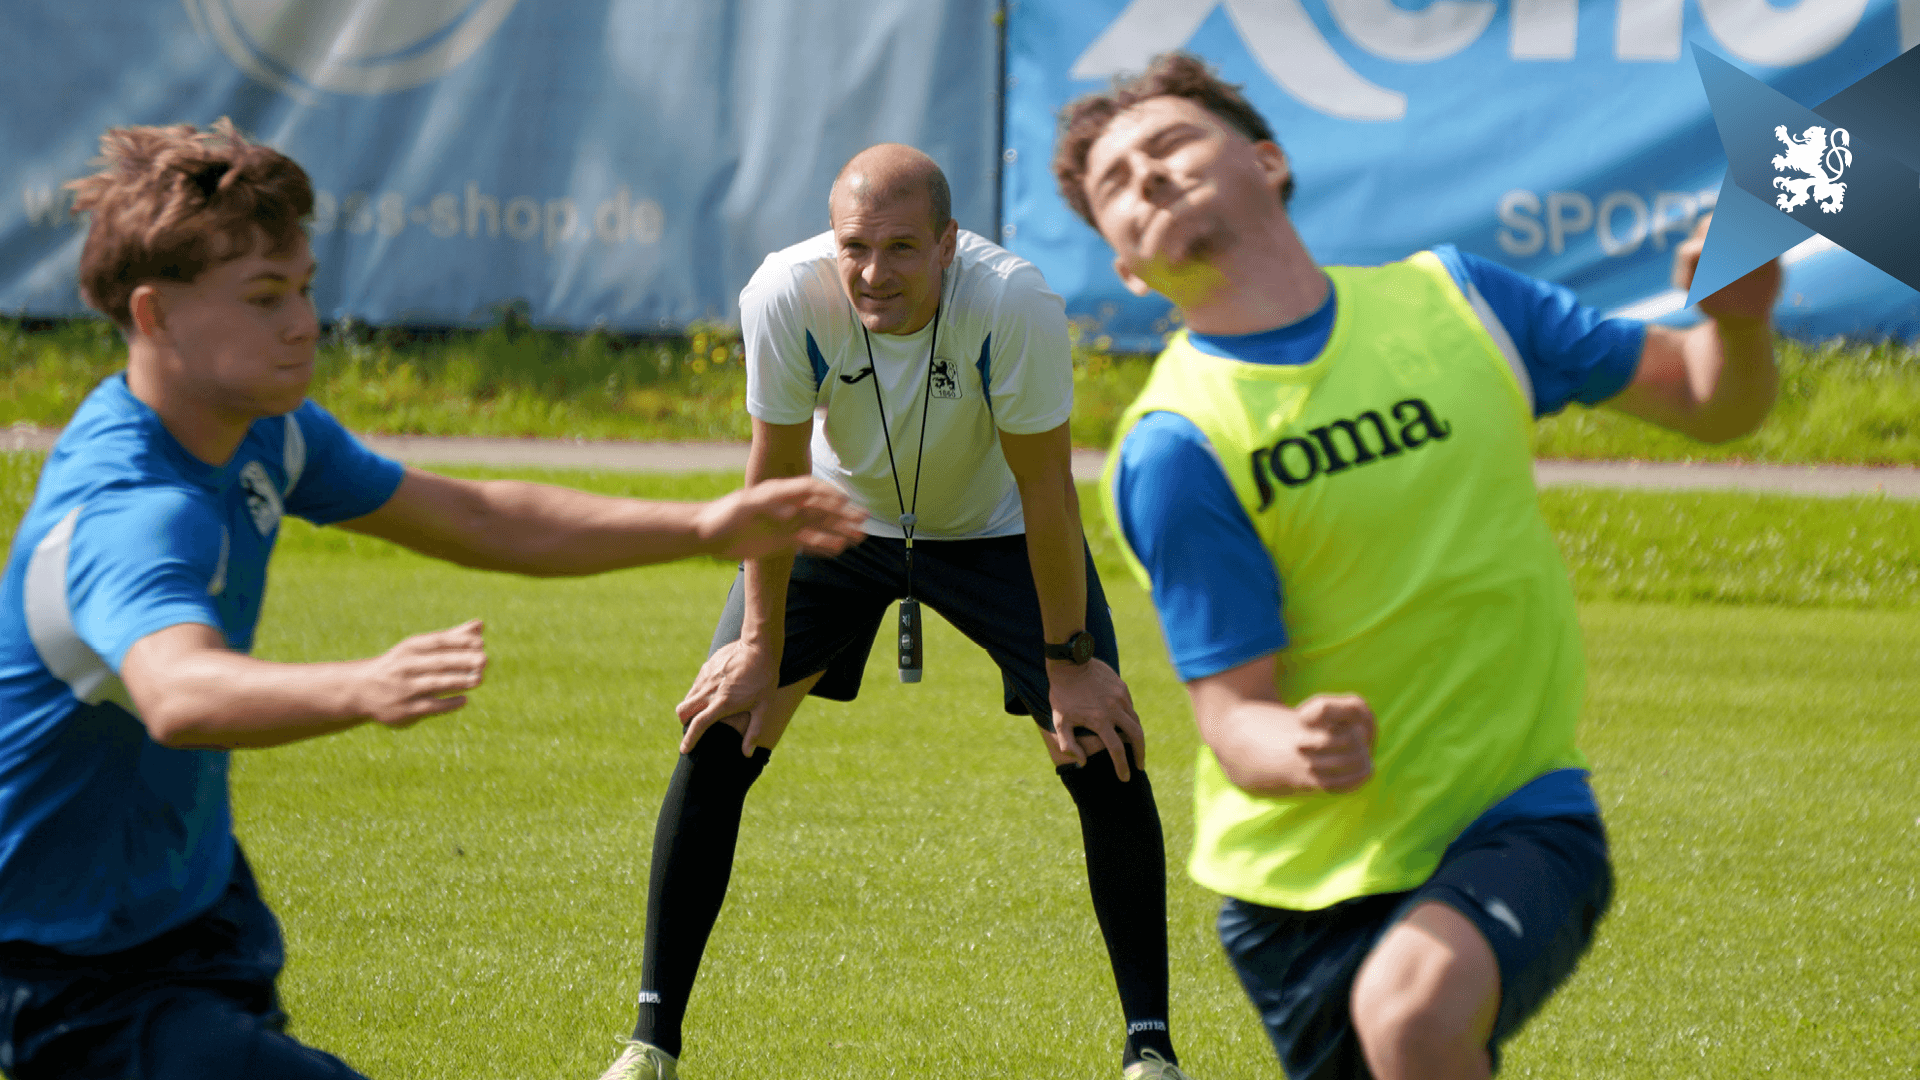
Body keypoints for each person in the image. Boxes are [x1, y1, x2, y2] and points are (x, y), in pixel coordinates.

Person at [0, 119, 868, 1080]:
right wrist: (363, 685)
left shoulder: (265, 433)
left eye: (304, 288)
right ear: (155, 315)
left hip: (186, 907)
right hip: (64, 965)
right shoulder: (133, 509)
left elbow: (479, 516)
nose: (303, 322)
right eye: (264, 297)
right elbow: (179, 692)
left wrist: (704, 526)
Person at [1051, 53, 1781, 1080]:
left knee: (1413, 1014)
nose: (1151, 176)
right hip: (1299, 900)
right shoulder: (1177, 445)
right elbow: (1232, 718)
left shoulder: (1461, 302)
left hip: (1516, 814)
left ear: (1268, 161)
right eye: (1118, 183)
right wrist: (1299, 745)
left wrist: (1737, 323)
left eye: (1171, 143)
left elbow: (1712, 402)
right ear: (1127, 267)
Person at [596, 143, 1194, 1080]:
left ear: (948, 243)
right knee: (720, 731)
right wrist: (758, 643)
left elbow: (1047, 490)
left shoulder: (1014, 302)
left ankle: (1149, 1051)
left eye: (903, 248)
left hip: (996, 530)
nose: (875, 273)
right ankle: (650, 1045)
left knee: (1099, 746)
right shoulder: (784, 294)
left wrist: (1072, 661)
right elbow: (774, 472)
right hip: (837, 521)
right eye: (856, 247)